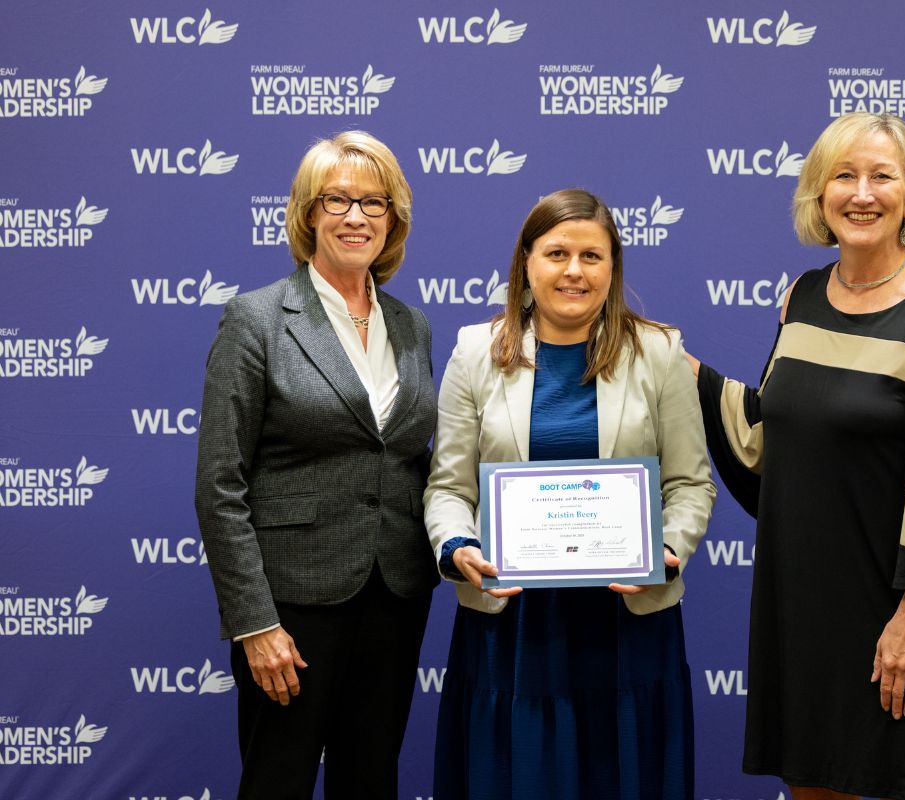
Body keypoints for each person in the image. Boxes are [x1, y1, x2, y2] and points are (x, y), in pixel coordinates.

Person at [688, 112, 905, 800]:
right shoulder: (800, 299)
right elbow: (773, 440)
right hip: (805, 600)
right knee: (814, 784)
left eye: (881, 177)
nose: (861, 194)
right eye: (844, 176)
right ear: (819, 193)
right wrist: (683, 370)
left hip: (901, 606)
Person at [423, 188, 715, 800]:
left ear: (613, 268)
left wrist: (665, 550)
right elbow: (448, 487)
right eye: (557, 252)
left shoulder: (659, 351)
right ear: (527, 261)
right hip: (516, 622)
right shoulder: (475, 351)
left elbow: (689, 484)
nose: (574, 271)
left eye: (592, 256)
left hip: (627, 619)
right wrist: (457, 547)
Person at [194, 130, 437, 799]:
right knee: (278, 780)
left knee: (371, 780)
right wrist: (254, 623)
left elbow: (415, 458)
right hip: (291, 610)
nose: (357, 217)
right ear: (308, 213)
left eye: (375, 204)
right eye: (338, 200)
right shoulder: (257, 319)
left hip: (394, 597)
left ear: (394, 220)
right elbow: (219, 485)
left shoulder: (411, 325)